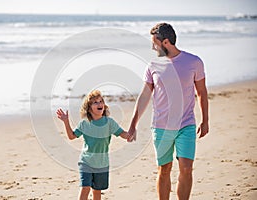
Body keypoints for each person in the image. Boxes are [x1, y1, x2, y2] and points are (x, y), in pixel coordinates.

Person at [128, 23, 209, 199]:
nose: (152, 47)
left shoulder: (194, 62)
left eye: (154, 43)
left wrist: (205, 120)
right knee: (164, 169)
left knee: (186, 168)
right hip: (161, 127)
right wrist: (133, 124)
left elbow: (201, 92)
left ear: (165, 42)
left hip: (186, 125)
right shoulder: (153, 66)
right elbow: (144, 96)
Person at [57, 90, 131, 200]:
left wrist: (131, 134)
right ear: (89, 108)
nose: (99, 103)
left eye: (101, 101)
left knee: (97, 191)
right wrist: (66, 122)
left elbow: (123, 134)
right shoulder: (84, 123)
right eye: (95, 102)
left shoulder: (109, 122)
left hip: (102, 164)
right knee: (85, 188)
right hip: (86, 162)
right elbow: (72, 136)